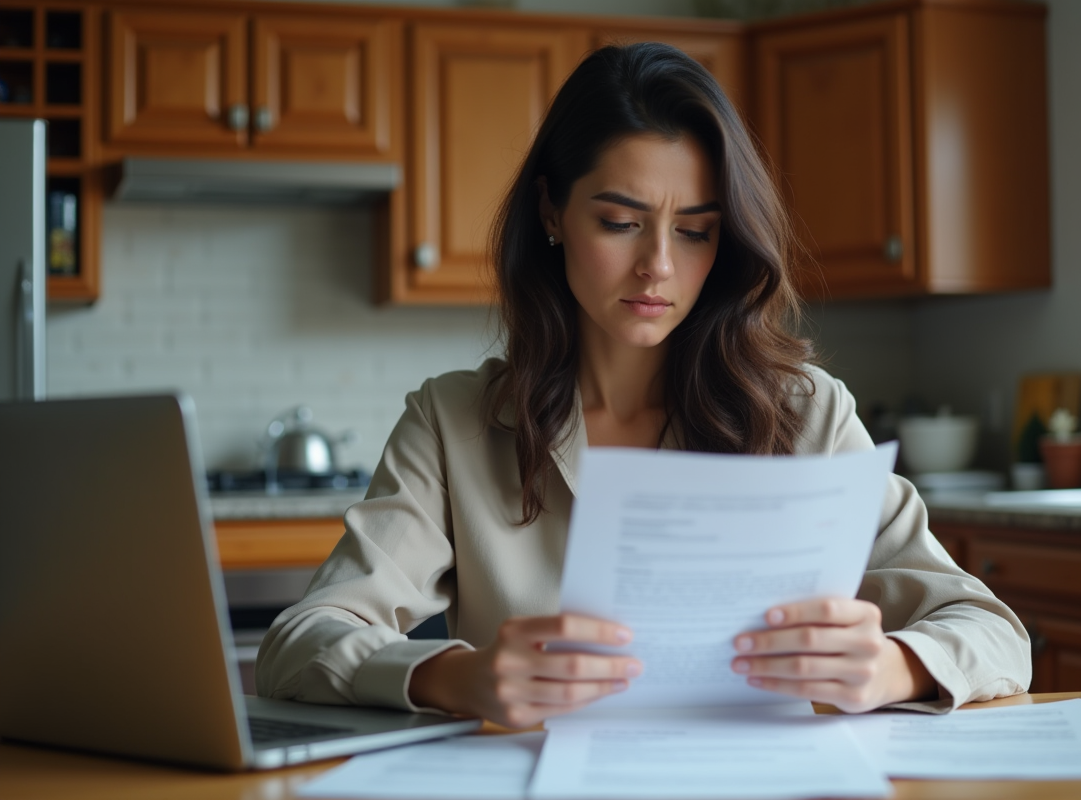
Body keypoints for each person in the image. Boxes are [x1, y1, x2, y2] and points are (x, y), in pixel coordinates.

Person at [256, 43, 1030, 727]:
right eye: (621, 222)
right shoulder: (454, 420)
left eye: (694, 230)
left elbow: (993, 632)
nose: (659, 265)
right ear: (551, 211)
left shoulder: (806, 414)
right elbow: (299, 643)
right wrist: (459, 676)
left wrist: (893, 666)